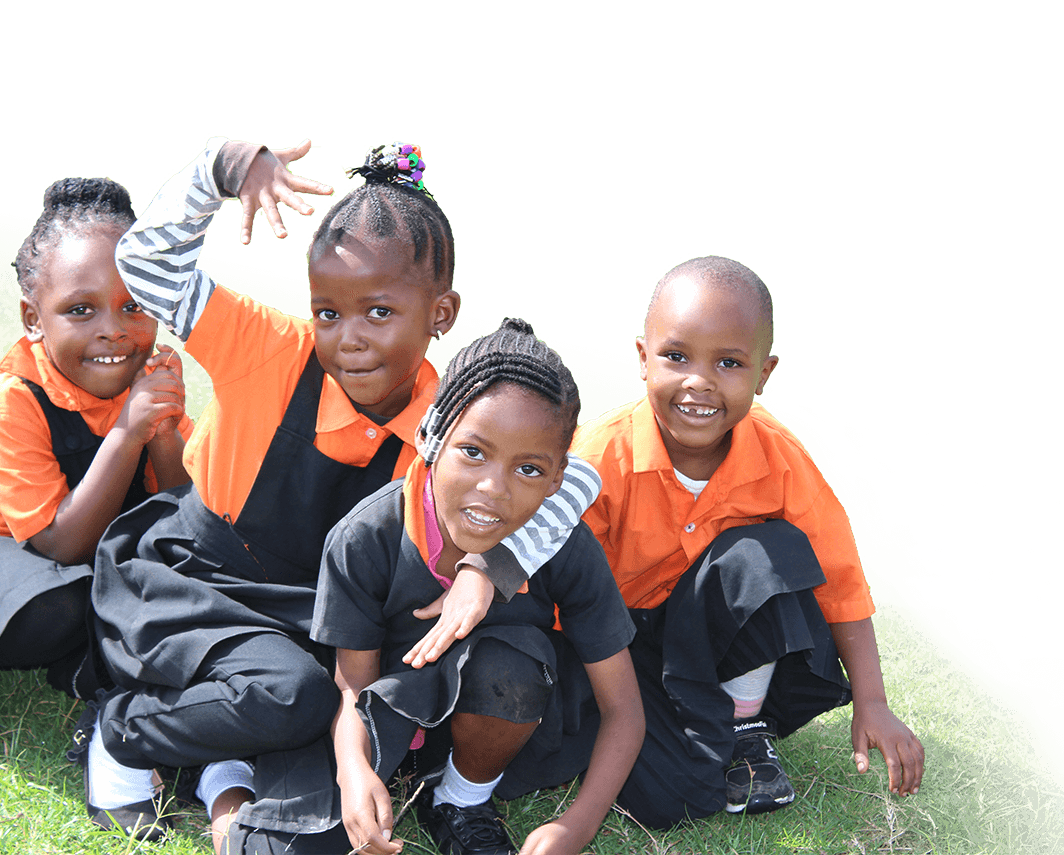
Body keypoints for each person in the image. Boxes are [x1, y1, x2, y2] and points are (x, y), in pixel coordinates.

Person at [85, 138, 603, 851]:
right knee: (292, 694)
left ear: (441, 314)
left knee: (327, 717)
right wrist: (221, 168)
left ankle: (223, 763)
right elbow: (144, 264)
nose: (348, 339)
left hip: (325, 613)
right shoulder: (263, 346)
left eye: (379, 313)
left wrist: (493, 567)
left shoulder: (445, 417)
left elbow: (577, 475)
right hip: (200, 578)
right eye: (327, 312)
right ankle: (122, 733)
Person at [570, 255, 925, 828]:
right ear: (642, 357)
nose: (699, 382)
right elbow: (558, 586)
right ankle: (647, 727)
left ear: (764, 374)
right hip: (616, 644)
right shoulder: (597, 457)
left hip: (712, 640)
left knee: (769, 554)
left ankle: (744, 725)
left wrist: (873, 703)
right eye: (676, 356)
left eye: (729, 363)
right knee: (674, 799)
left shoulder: (779, 456)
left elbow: (840, 581)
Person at [0, 177, 191, 761]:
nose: (113, 328)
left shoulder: (146, 387)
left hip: (82, 552)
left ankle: (105, 688)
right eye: (80, 310)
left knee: (160, 585)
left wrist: (164, 432)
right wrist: (128, 432)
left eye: (134, 305)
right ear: (33, 317)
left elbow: (180, 514)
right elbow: (59, 543)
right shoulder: (8, 402)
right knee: (55, 610)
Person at [317, 318, 643, 855]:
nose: (494, 488)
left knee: (511, 668)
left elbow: (624, 710)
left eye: (529, 469)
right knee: (301, 833)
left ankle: (461, 799)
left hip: (504, 729)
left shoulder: (564, 545)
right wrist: (354, 770)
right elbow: (353, 684)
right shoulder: (364, 537)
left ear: (558, 478)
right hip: (390, 716)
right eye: (473, 452)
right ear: (431, 435)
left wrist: (577, 826)